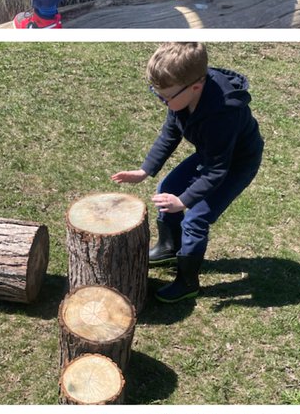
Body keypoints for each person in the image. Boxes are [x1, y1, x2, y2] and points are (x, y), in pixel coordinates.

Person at [112, 41, 264, 302]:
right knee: (165, 190)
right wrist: (144, 170)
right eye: (156, 93)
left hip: (236, 163)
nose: (162, 101)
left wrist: (183, 201)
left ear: (196, 87)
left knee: (195, 218)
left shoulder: (223, 113)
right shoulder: (181, 98)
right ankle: (170, 247)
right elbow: (170, 134)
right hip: (212, 155)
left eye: (165, 97)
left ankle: (187, 282)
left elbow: (217, 170)